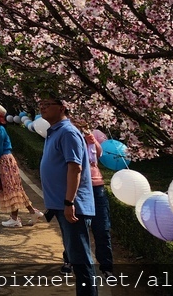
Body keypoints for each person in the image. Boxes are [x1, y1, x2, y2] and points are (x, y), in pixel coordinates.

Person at [39, 96, 98, 296]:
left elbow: (75, 168)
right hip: (61, 206)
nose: (43, 108)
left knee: (81, 261)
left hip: (72, 207)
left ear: (63, 108)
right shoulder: (54, 131)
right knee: (75, 258)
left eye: (47, 104)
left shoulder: (68, 132)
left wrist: (68, 202)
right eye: (40, 105)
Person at [60, 125, 113, 277]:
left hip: (97, 186)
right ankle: (69, 260)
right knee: (74, 228)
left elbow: (98, 155)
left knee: (102, 228)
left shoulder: (94, 133)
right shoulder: (67, 133)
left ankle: (106, 266)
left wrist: (93, 141)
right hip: (78, 187)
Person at [0, 104, 45, 227]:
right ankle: (31, 212)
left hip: (4, 161)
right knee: (14, 188)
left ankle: (15, 218)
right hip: (6, 160)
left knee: (10, 188)